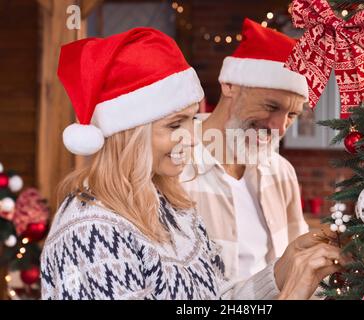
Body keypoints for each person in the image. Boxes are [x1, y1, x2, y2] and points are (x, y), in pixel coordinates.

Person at [40, 27, 345, 300]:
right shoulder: (91, 231)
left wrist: (284, 268)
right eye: (175, 125)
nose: (191, 136)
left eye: (190, 119)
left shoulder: (175, 207)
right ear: (129, 134)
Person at [181, 19, 310, 281]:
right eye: (272, 107)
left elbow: (296, 267)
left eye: (292, 115)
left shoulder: (281, 172)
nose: (280, 127)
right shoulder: (173, 163)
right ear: (229, 85)